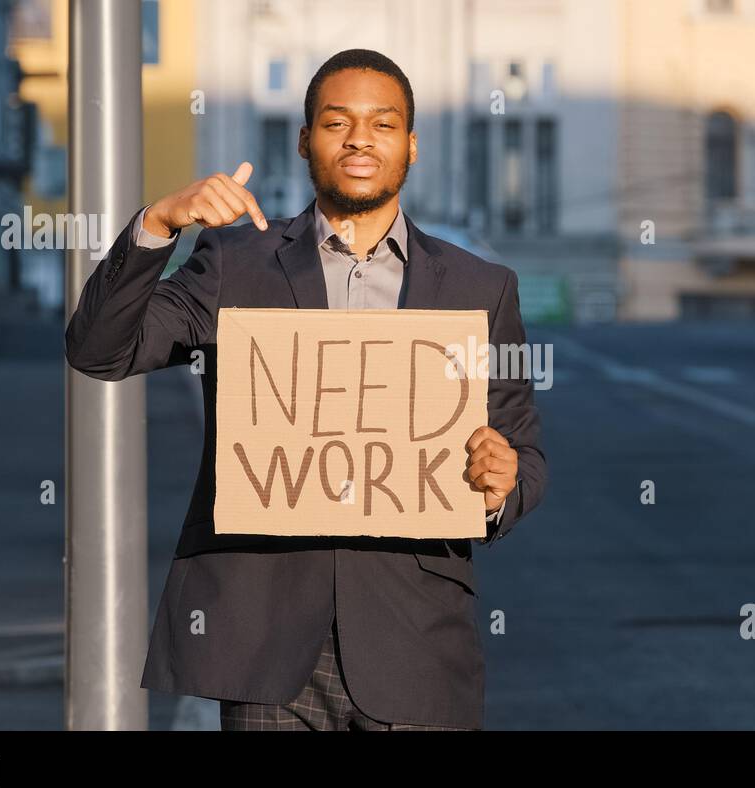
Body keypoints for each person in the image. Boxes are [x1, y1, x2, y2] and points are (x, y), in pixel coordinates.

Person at [65, 49, 546, 730]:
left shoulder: (478, 288)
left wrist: (502, 486)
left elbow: (523, 452)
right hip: (268, 652)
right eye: (336, 121)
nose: (358, 139)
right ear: (304, 139)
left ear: (410, 145)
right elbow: (98, 349)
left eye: (382, 124)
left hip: (414, 647)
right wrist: (161, 222)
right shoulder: (236, 264)